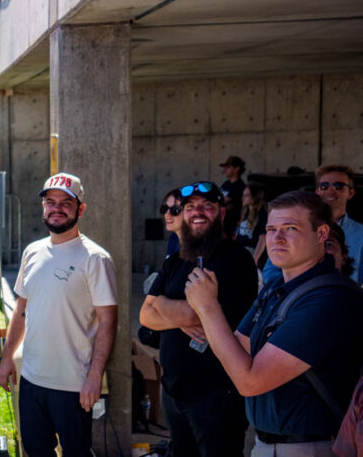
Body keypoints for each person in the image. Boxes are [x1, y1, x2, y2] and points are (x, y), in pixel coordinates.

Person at [185, 190, 363, 455]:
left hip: (311, 446)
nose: (276, 238)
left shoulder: (330, 298)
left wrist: (207, 307)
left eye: (290, 228)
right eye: (270, 229)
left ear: (322, 234)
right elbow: (236, 348)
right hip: (267, 444)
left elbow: (248, 381)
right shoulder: (277, 287)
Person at [0, 173, 118, 457]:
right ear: (43, 207)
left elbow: (108, 322)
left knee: (76, 452)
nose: (57, 208)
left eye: (66, 202)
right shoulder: (32, 251)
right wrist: (6, 358)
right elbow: (21, 309)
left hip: (74, 383)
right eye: (50, 202)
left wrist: (94, 376)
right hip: (32, 378)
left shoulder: (95, 258)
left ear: (80, 208)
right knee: (37, 450)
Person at [138, 181, 258, 455]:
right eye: (190, 207)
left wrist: (166, 306)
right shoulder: (176, 260)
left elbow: (195, 312)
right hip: (174, 393)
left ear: (222, 213)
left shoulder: (235, 259)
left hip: (216, 397)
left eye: (207, 206)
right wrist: (183, 317)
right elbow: (146, 315)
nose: (197, 212)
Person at [315, 165, 362, 284]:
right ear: (317, 191)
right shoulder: (304, 229)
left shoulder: (361, 234)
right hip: (306, 298)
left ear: (350, 193)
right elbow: (272, 270)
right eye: (324, 186)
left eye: (338, 186)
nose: (331, 190)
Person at [235, 184, 268, 262]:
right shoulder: (244, 211)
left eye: (246, 195)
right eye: (243, 195)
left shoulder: (262, 214)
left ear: (255, 196)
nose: (243, 198)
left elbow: (262, 238)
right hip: (240, 250)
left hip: (251, 252)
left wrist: (254, 259)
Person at [219, 155, 247, 239]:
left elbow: (222, 201)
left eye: (228, 167)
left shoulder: (239, 185)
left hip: (230, 224)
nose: (225, 169)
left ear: (237, 168)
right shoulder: (226, 184)